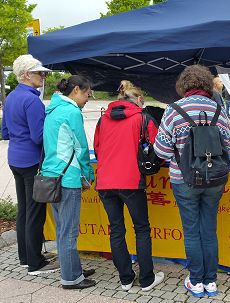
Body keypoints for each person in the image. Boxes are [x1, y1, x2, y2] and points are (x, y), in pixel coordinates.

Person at [154, 65, 230, 298]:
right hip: (215, 179)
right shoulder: (218, 110)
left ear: (183, 85)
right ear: (207, 84)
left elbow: (161, 150)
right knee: (209, 228)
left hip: (184, 180)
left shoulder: (173, 110)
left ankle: (196, 281)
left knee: (191, 231)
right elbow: (227, 145)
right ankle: (211, 282)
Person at [93, 84, 164, 292]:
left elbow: (98, 149)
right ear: (139, 99)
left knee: (116, 230)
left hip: (105, 182)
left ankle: (125, 279)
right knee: (141, 229)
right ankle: (147, 279)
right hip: (131, 182)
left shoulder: (102, 120)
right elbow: (158, 149)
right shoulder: (143, 118)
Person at [1, 54, 58, 275]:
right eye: (39, 72)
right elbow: (38, 137)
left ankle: (25, 257)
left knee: (24, 209)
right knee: (35, 211)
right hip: (32, 160)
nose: (43, 76)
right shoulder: (32, 99)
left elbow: (4, 131)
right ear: (26, 75)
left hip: (15, 158)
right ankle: (35, 263)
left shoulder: (12, 97)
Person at [41, 76, 96, 289]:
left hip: (51, 176)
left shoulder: (52, 110)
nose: (88, 98)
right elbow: (81, 148)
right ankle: (71, 278)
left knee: (62, 228)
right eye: (86, 93)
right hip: (68, 178)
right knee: (69, 231)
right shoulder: (72, 112)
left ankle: (72, 269)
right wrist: (87, 174)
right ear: (75, 90)